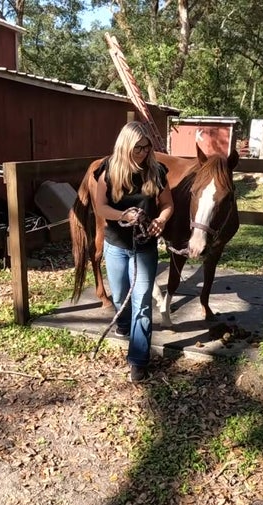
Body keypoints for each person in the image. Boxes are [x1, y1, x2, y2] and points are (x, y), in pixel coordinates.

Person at [93, 121, 173, 383]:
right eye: (137, 148)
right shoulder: (107, 171)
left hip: (145, 247)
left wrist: (161, 220)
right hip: (116, 244)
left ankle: (139, 360)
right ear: (125, 145)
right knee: (119, 295)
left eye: (146, 147)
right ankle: (123, 324)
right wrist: (123, 215)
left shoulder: (156, 171)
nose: (142, 153)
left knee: (142, 302)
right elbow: (101, 207)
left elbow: (167, 204)